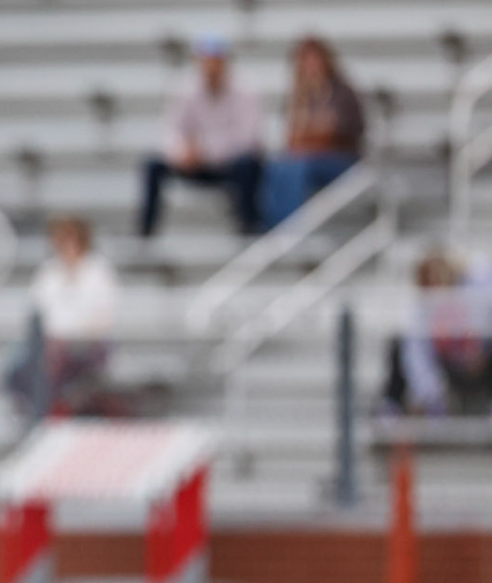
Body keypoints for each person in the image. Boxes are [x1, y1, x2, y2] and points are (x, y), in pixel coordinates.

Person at [138, 34, 264, 236]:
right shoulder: (184, 89)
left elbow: (247, 138)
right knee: (153, 165)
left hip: (228, 165)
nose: (211, 69)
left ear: (225, 63)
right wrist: (182, 153)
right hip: (194, 163)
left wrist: (204, 151)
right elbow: (171, 129)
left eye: (216, 62)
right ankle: (145, 231)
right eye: (207, 62)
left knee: (249, 164)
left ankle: (248, 225)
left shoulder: (246, 90)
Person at [9, 216, 120, 420]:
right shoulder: (49, 271)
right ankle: (41, 412)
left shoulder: (98, 271)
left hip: (87, 344)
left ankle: (48, 414)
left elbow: (104, 316)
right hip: (51, 344)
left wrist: (67, 336)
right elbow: (37, 309)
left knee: (50, 364)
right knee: (17, 368)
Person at [261, 36, 366, 228]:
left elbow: (343, 132)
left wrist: (314, 136)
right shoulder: (297, 96)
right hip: (306, 159)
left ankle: (291, 228)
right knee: (277, 167)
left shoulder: (342, 93)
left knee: (297, 168)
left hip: (340, 159)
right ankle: (274, 225)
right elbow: (291, 136)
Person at [385, 247, 492, 418]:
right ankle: (390, 411)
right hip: (448, 370)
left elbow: (484, 274)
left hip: (480, 364)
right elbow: (417, 355)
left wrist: (480, 353)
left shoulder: (473, 289)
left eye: (439, 277)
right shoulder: (422, 309)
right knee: (397, 345)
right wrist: (429, 394)